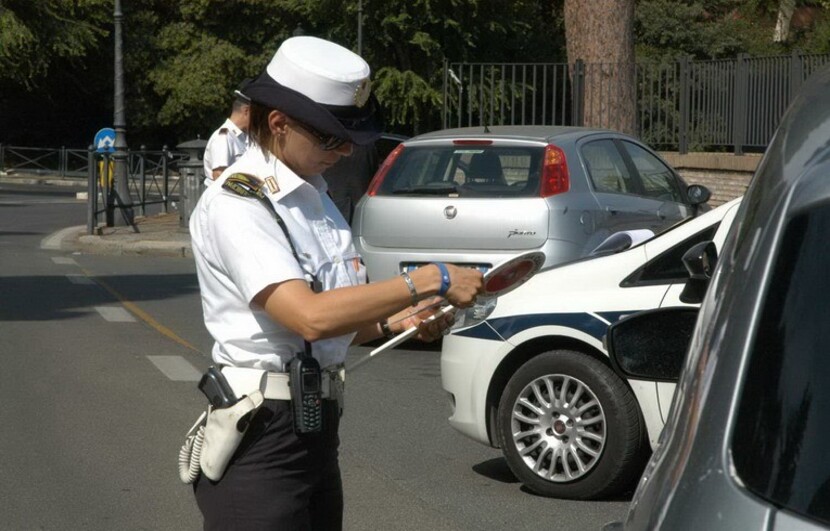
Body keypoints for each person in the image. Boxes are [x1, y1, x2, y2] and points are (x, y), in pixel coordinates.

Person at [188, 35, 484, 530]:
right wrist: (431, 278)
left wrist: (397, 322)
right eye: (331, 136)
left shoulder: (316, 198)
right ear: (279, 124)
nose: (347, 149)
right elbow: (309, 315)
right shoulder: (240, 203)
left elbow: (336, 322)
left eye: (350, 135)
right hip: (261, 434)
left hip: (315, 428)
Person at [202, 81, 252, 185]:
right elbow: (219, 175)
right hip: (227, 198)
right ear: (246, 111)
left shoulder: (241, 137)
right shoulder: (224, 137)